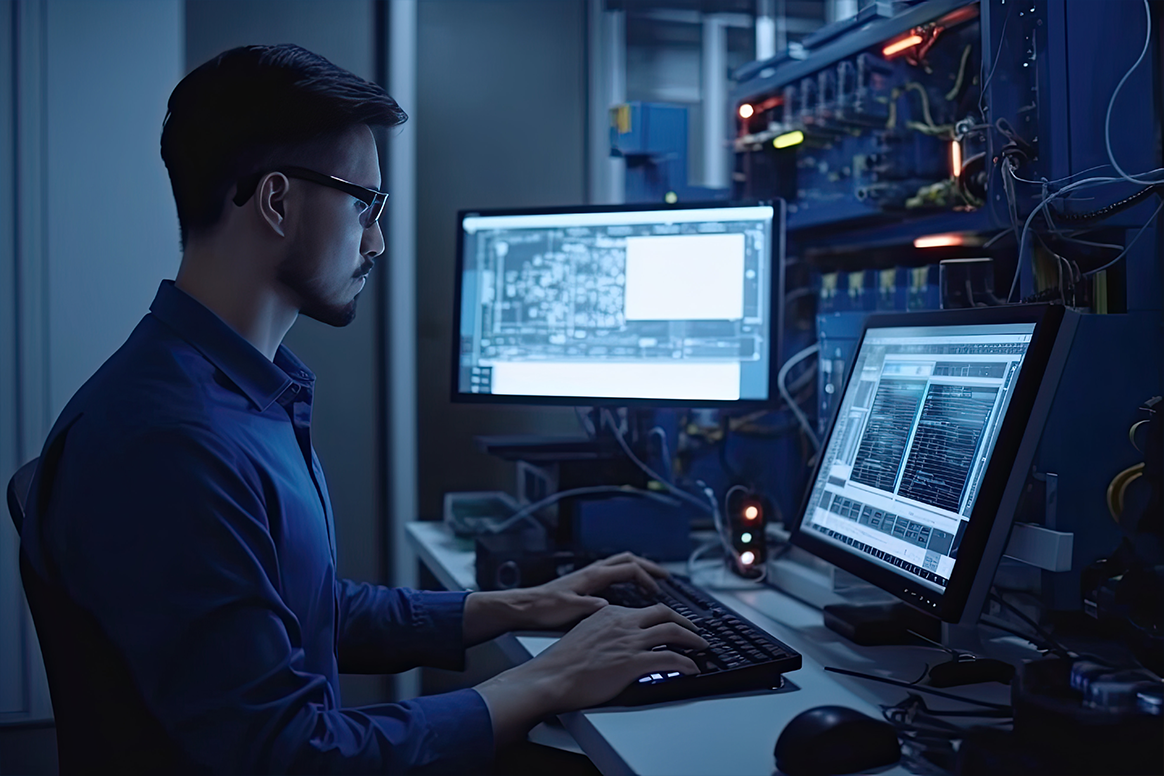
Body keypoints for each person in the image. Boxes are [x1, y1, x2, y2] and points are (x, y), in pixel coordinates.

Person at [19, 44, 706, 774]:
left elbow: (303, 608)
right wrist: (547, 678)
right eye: (365, 204)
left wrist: (521, 606)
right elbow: (285, 755)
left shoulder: (234, 392)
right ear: (277, 201)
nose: (376, 241)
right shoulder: (170, 444)